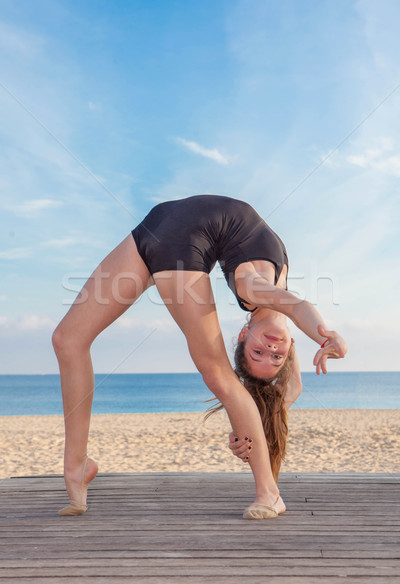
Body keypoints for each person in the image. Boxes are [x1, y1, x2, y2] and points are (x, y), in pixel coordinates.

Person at [52, 194, 347, 519]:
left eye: (258, 353)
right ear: (290, 350)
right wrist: (324, 334)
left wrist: (245, 430)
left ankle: (269, 494)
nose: (272, 349)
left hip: (176, 245)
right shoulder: (283, 322)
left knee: (218, 375)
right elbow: (291, 387)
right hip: (157, 226)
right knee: (67, 340)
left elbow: (292, 310)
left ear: (244, 334)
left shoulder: (251, 290)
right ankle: (79, 465)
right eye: (274, 357)